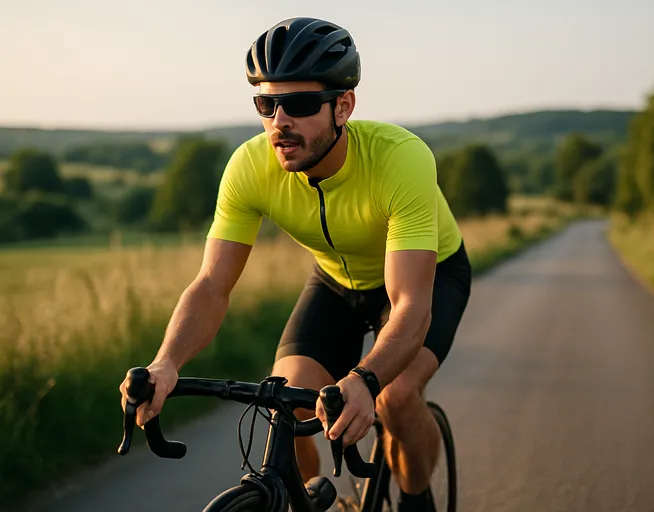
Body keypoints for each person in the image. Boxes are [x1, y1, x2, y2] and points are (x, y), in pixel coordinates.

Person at [119, 16, 471, 511]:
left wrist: (365, 381)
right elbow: (211, 285)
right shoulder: (250, 167)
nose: (279, 122)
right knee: (283, 398)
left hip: (429, 275)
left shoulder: (401, 159)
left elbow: (410, 304)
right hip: (335, 281)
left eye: (301, 104)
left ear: (343, 105)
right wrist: (167, 361)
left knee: (395, 398)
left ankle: (416, 497)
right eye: (266, 104)